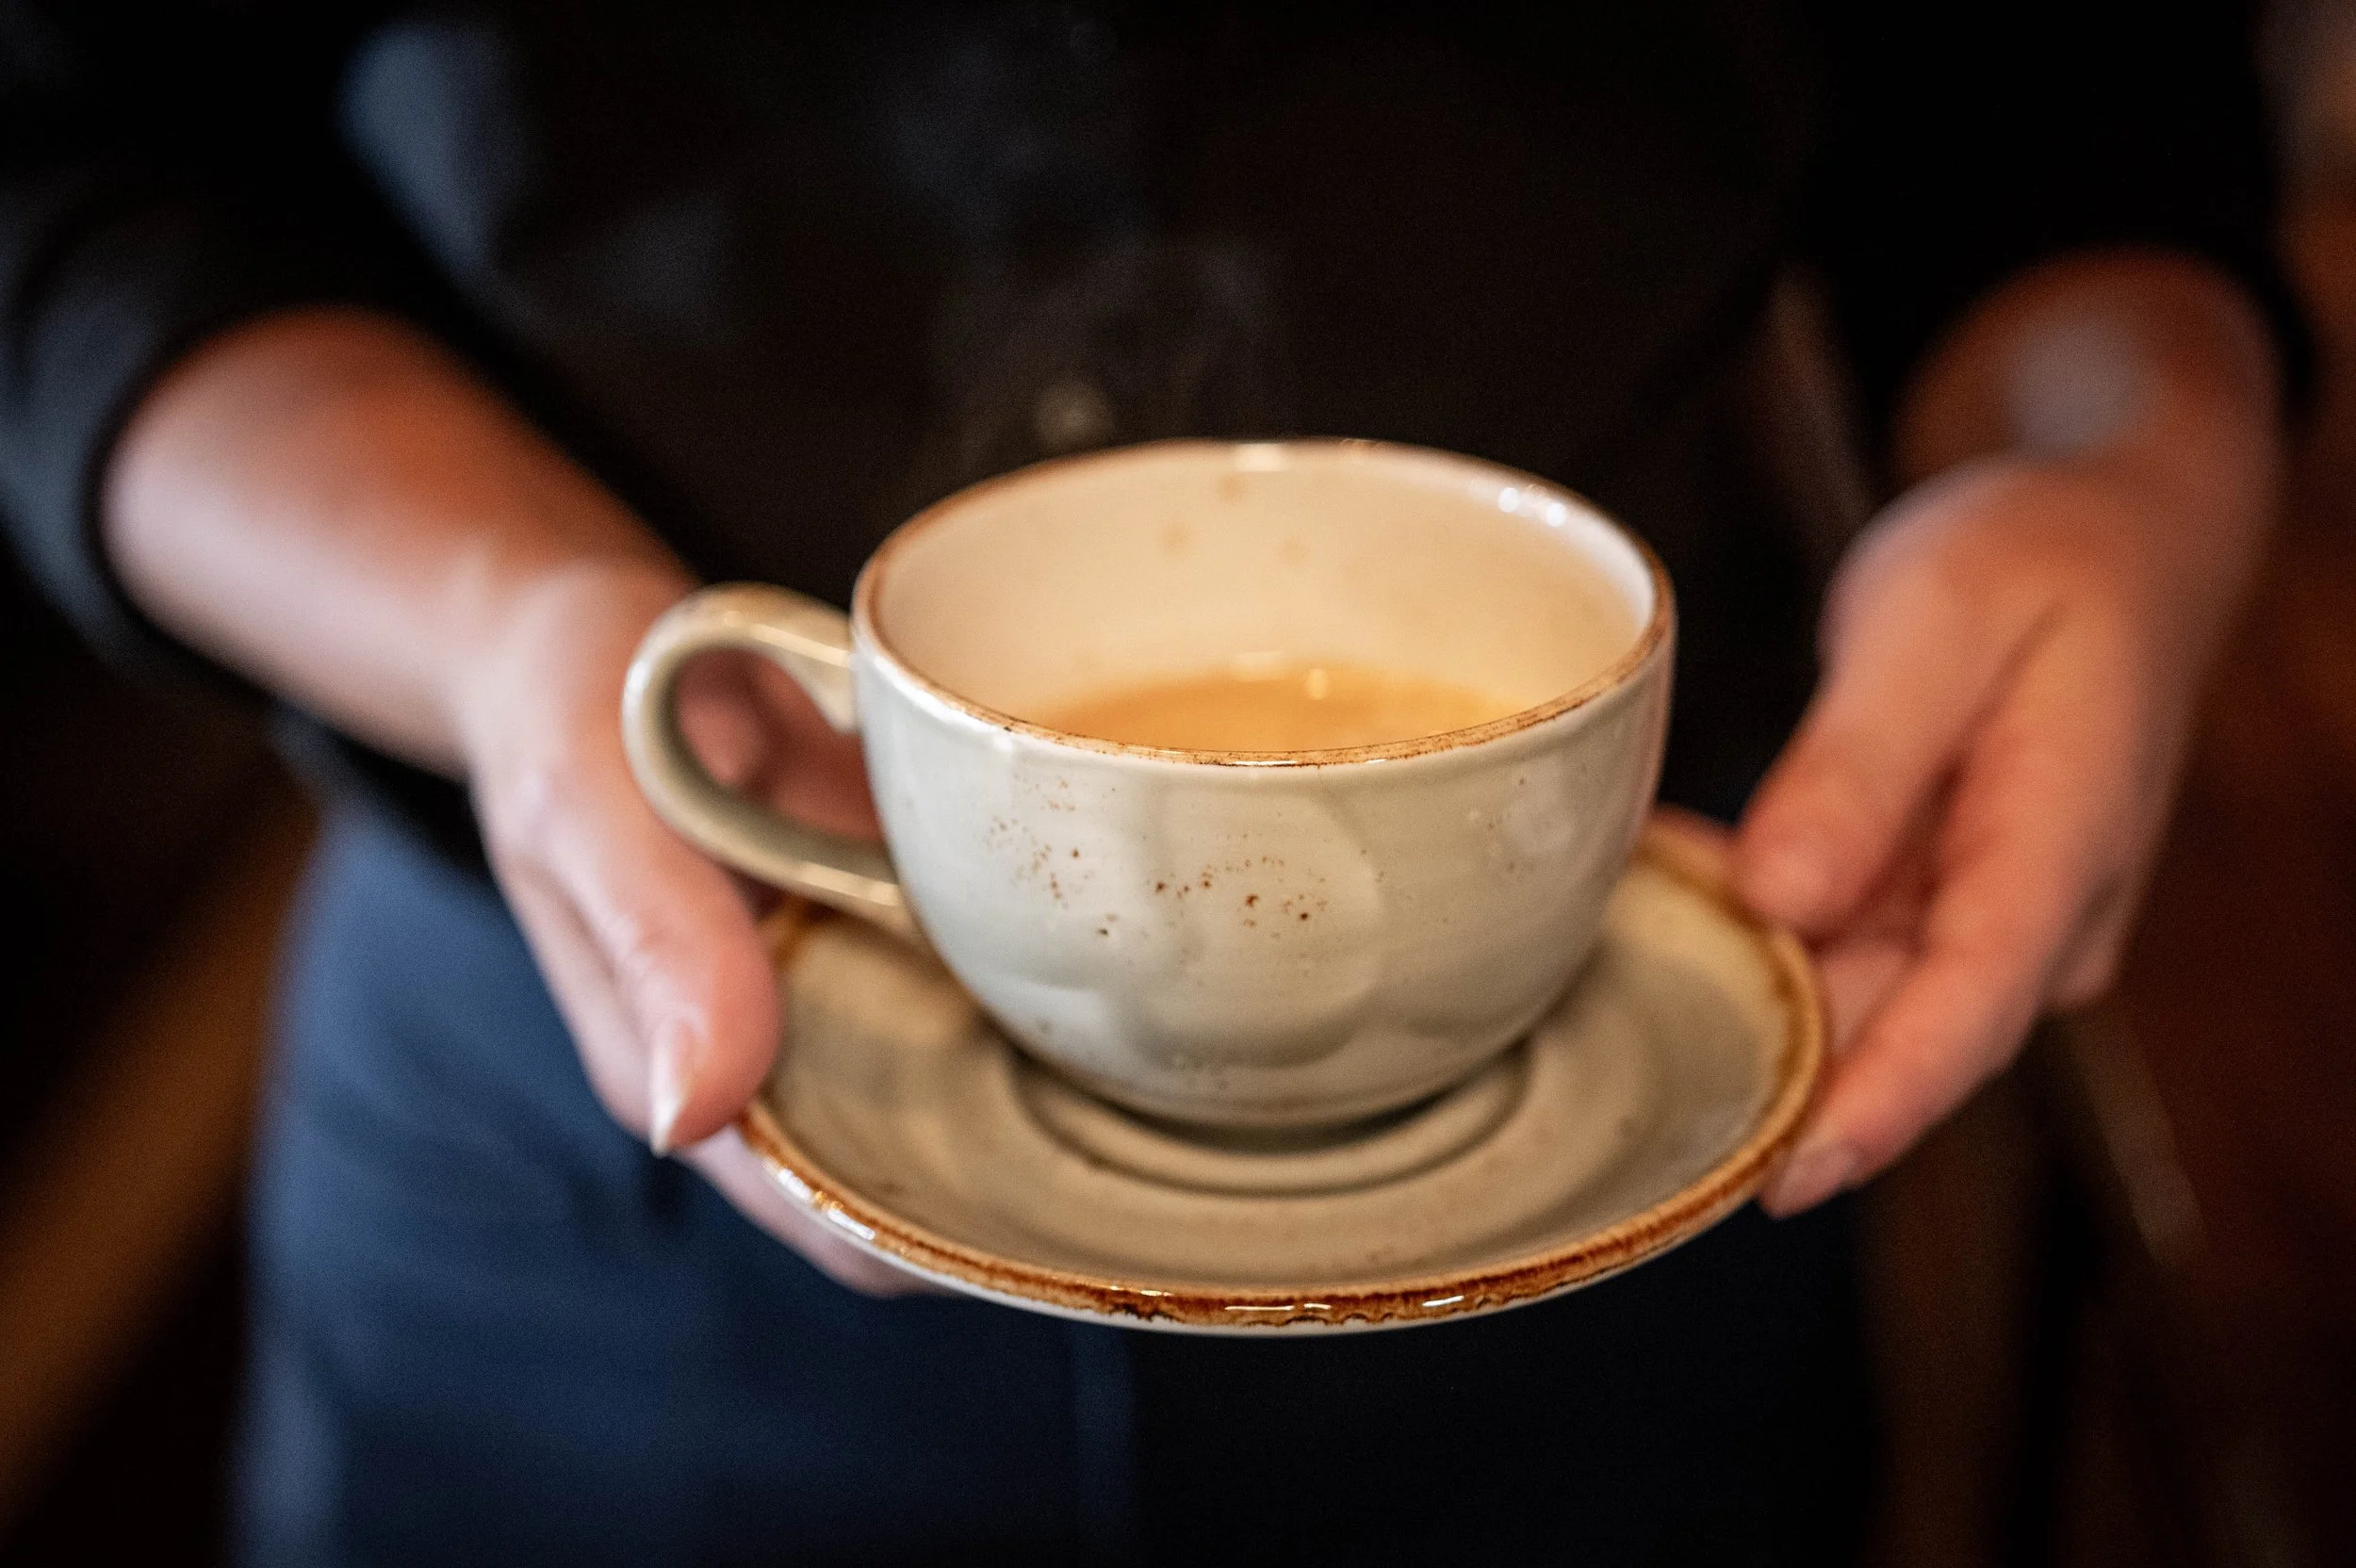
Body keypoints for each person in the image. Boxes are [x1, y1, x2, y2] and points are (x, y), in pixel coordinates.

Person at [0, 2, 2299, 1561]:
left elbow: (2070, 114)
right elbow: (69, 169)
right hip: (594, 1114)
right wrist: (516, 631)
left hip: (1639, 1085)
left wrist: (2129, 472)